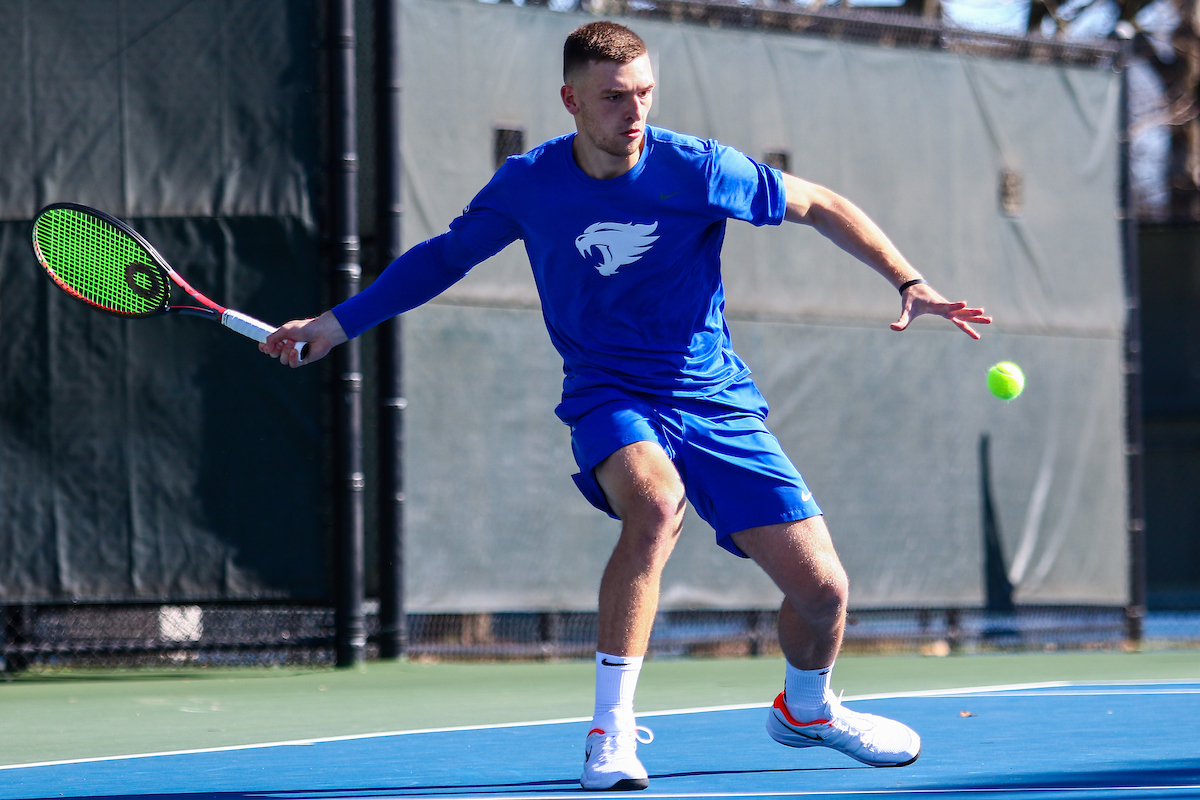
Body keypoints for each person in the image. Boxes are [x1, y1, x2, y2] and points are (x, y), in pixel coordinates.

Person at [261, 21, 990, 792]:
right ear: (571, 100)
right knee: (655, 504)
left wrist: (909, 281)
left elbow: (819, 204)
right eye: (613, 97)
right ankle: (609, 731)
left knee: (823, 594)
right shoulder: (530, 184)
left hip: (713, 399)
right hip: (608, 392)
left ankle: (807, 710)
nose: (633, 111)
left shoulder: (698, 168)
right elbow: (443, 258)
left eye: (643, 93)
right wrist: (336, 325)